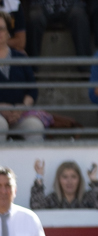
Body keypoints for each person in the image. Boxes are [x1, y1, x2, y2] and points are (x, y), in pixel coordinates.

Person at [0, 13, 44, 142]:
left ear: (8, 32)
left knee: (35, 126)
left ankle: (35, 162)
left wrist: (21, 108)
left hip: (19, 114)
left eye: (1, 29)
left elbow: (32, 90)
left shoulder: (21, 58)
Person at [24, 0, 91, 59]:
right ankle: (31, 66)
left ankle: (85, 65)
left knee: (79, 17)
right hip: (41, 4)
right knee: (34, 18)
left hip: (70, 4)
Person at [29, 159, 98, 209]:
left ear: (79, 179)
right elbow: (36, 205)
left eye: (73, 177)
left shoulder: (86, 198)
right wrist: (39, 177)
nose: (69, 181)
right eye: (65, 177)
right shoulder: (52, 199)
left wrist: (94, 181)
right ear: (59, 180)